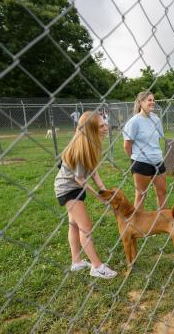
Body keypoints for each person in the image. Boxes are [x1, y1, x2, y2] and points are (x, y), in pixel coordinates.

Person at [54, 111, 117, 279]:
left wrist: (104, 189)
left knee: (74, 225)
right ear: (91, 130)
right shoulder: (81, 149)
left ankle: (77, 261)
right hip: (68, 189)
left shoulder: (91, 144)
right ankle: (97, 266)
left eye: (105, 124)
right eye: (102, 126)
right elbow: (79, 178)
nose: (106, 127)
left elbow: (93, 171)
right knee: (86, 227)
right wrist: (98, 195)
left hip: (74, 187)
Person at [123, 91, 167, 211]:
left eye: (153, 100)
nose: (152, 102)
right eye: (149, 100)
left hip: (158, 161)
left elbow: (158, 138)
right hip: (141, 162)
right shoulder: (134, 122)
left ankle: (163, 220)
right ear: (141, 102)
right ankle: (137, 226)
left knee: (162, 193)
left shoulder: (156, 119)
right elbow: (127, 145)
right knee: (141, 195)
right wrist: (136, 159)